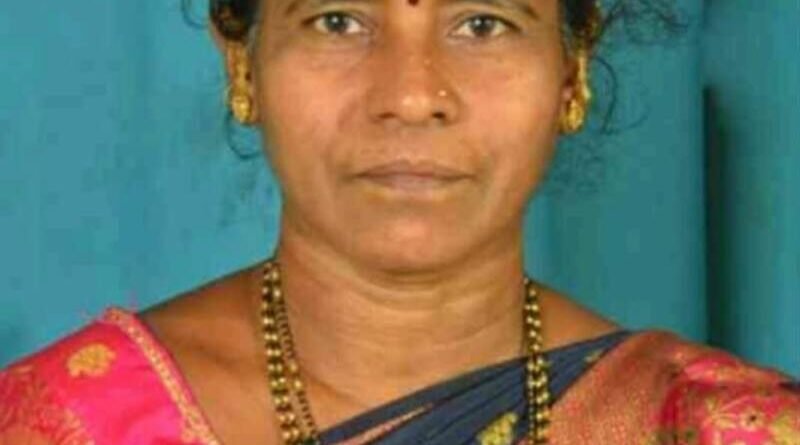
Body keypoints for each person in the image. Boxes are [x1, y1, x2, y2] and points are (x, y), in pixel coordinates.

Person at [1, 0, 798, 443]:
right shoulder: (68, 424)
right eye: (338, 20)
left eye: (482, 23)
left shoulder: (709, 428)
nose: (412, 96)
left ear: (571, 68)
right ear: (242, 59)